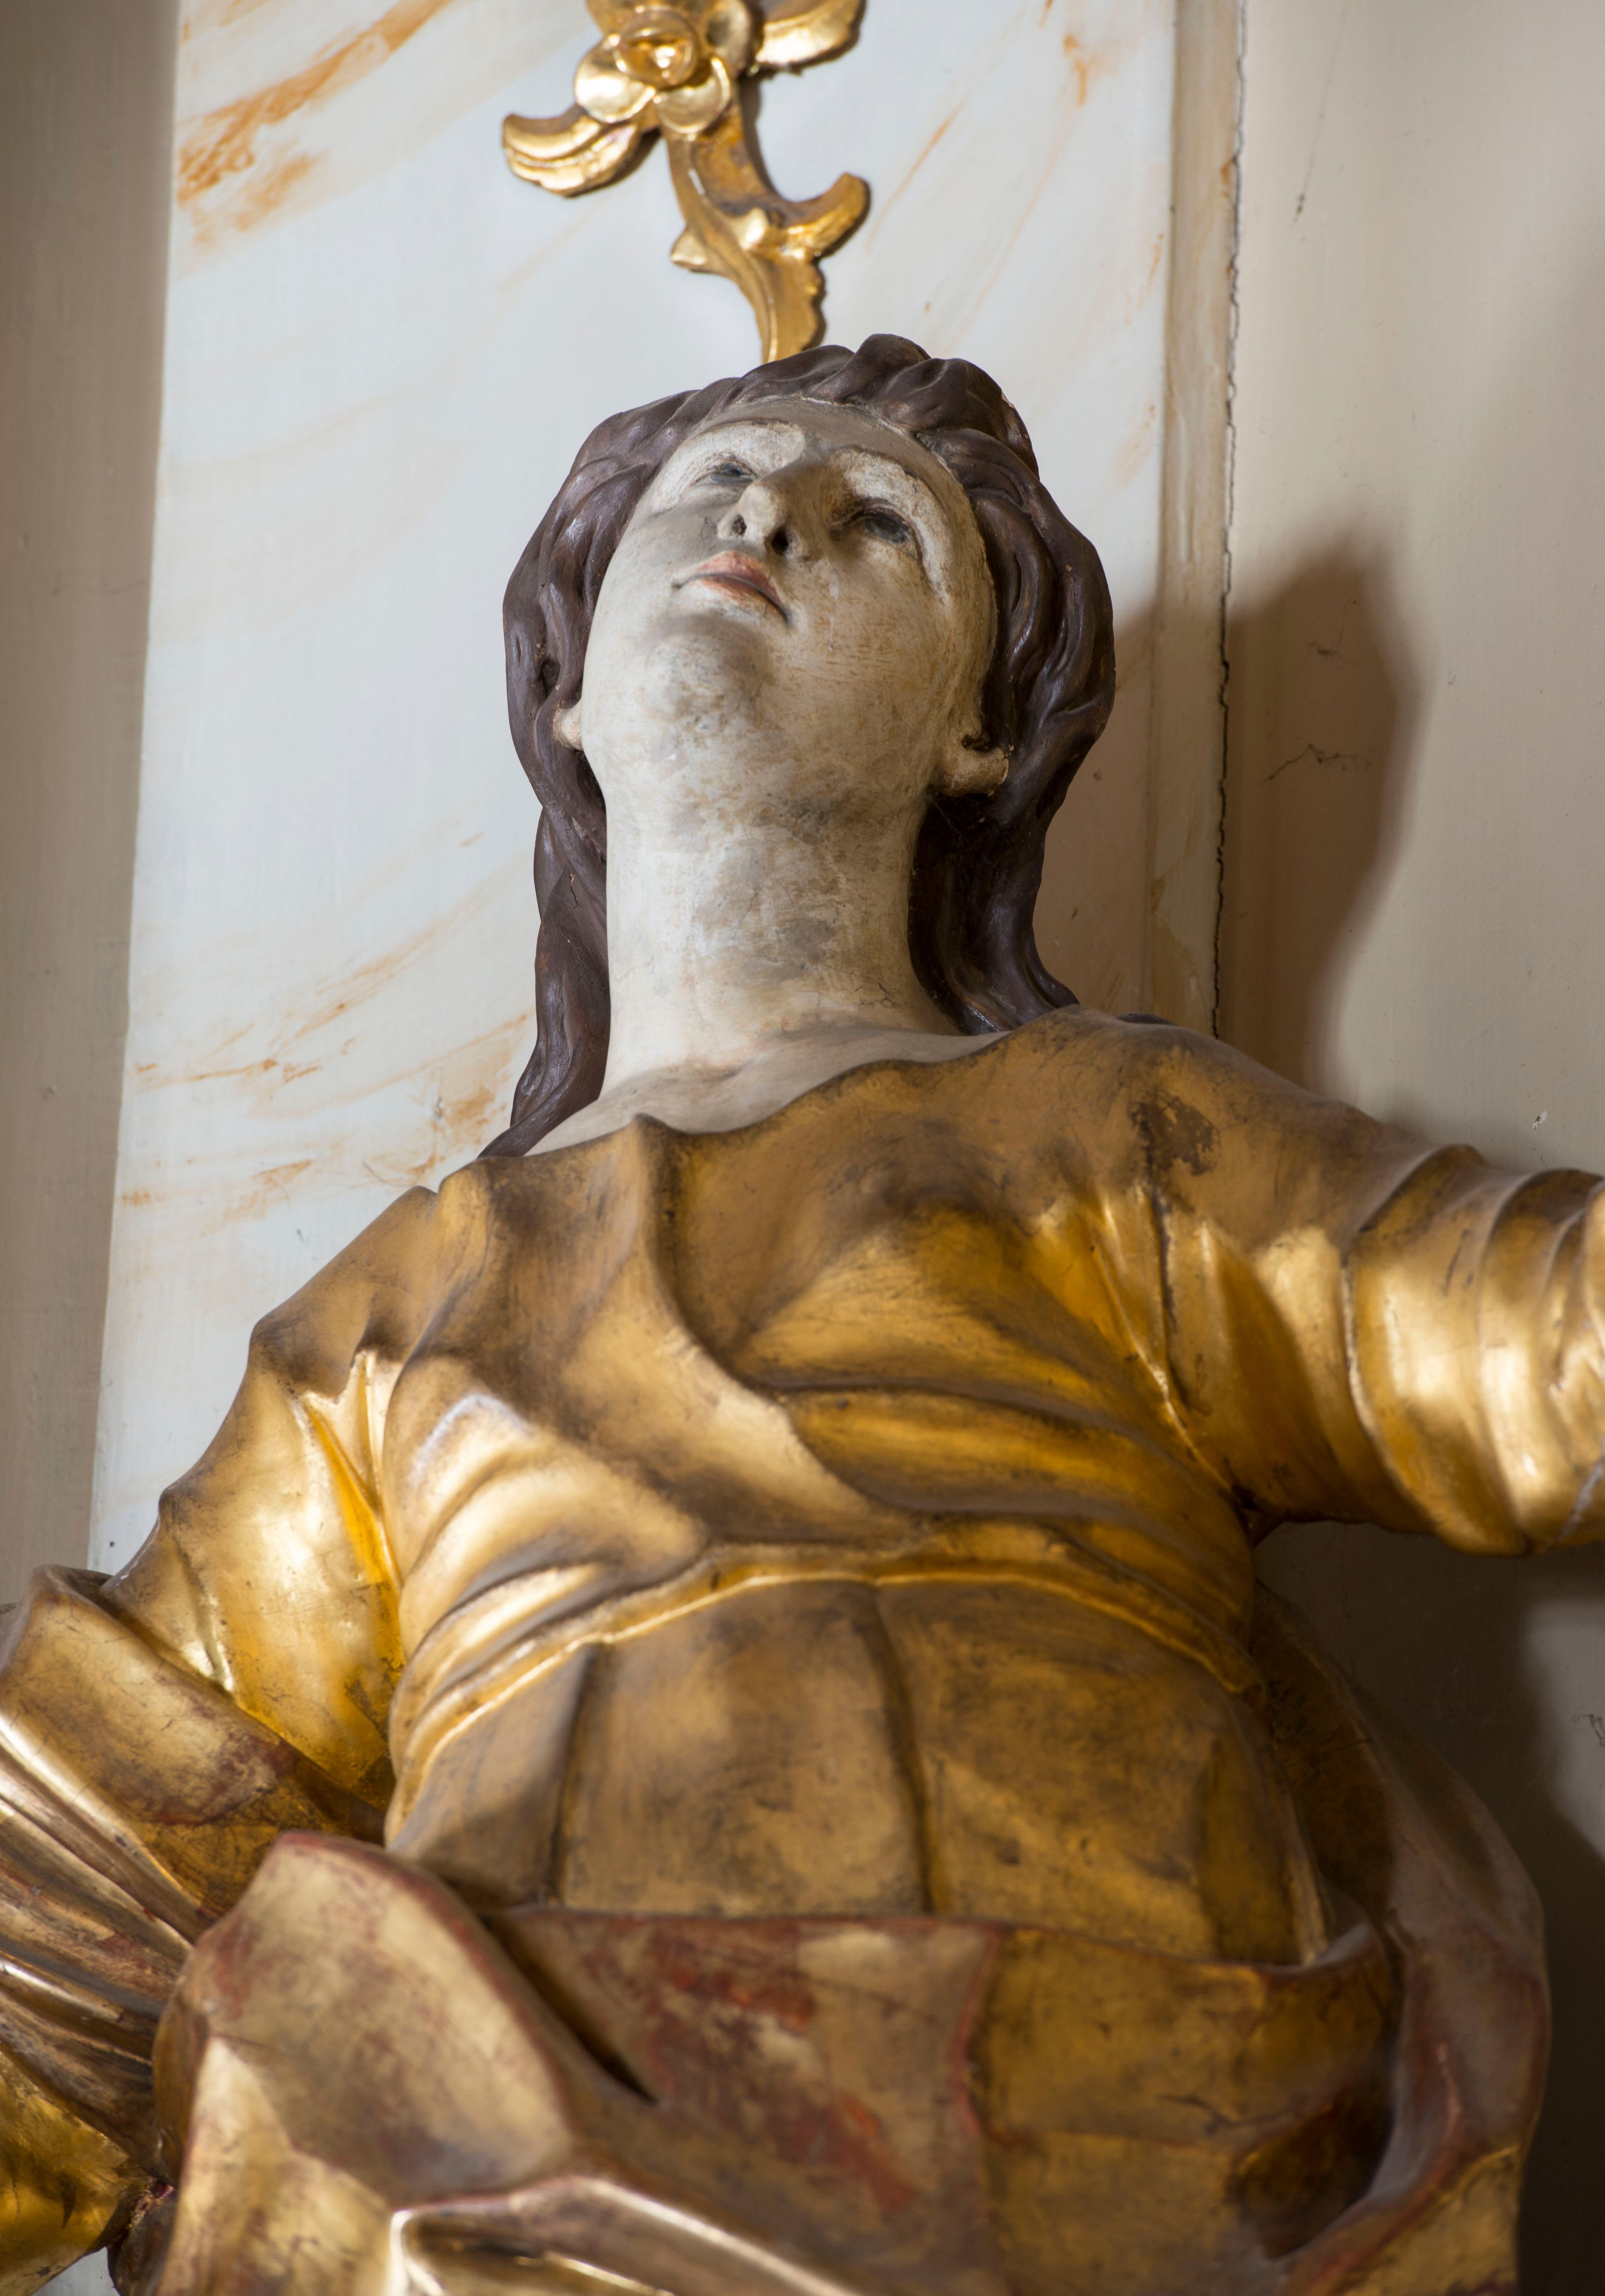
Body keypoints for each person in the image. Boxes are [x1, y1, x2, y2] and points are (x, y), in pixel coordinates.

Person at [0, 336, 1583, 2296]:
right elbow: (76, 1893)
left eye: (880, 526)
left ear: (977, 737)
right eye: (718, 483)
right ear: (569, 689)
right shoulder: (389, 1312)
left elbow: (1532, 1343)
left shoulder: (1117, 1140)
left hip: (1084, 2132)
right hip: (487, 2182)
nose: (774, 514)